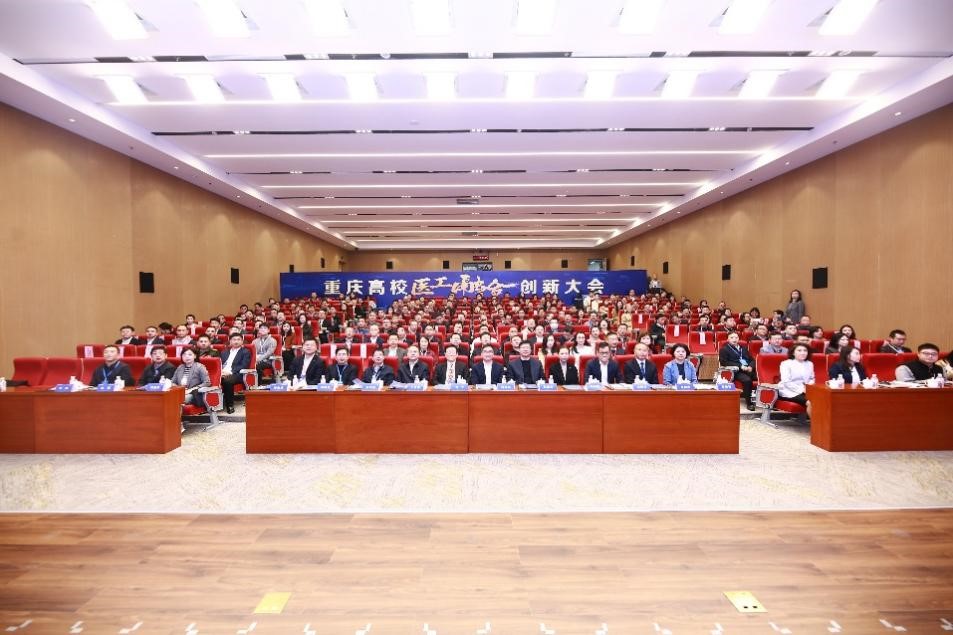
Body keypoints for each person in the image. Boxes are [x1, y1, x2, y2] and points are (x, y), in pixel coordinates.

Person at [719, 332, 756, 409]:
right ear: (728, 339)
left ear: (739, 339)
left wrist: (751, 366)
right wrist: (740, 366)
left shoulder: (743, 348)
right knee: (747, 380)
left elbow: (752, 360)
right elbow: (724, 362)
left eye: (736, 337)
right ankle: (749, 403)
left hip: (747, 370)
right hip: (735, 371)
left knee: (762, 378)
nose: (734, 339)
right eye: (732, 337)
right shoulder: (724, 349)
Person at [777, 343, 815, 415]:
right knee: (810, 402)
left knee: (822, 399)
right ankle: (816, 422)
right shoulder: (786, 364)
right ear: (793, 353)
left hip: (806, 390)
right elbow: (786, 382)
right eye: (799, 350)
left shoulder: (809, 364)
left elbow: (811, 378)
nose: (803, 353)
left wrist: (808, 388)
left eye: (805, 350)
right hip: (788, 391)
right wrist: (802, 390)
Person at [220, 333, 251, 413]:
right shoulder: (224, 352)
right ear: (230, 341)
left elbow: (244, 365)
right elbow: (219, 364)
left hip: (237, 374)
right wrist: (220, 372)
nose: (236, 341)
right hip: (222, 373)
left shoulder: (245, 352)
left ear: (242, 341)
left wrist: (229, 372)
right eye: (234, 340)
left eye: (238, 340)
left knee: (227, 381)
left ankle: (229, 405)